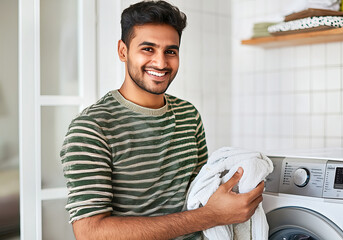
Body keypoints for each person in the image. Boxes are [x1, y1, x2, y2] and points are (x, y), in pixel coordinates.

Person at [60, 1, 264, 239]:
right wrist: (212, 215)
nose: (161, 62)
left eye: (170, 51)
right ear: (123, 51)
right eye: (148, 49)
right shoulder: (91, 128)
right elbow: (90, 233)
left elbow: (200, 194)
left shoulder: (189, 115)